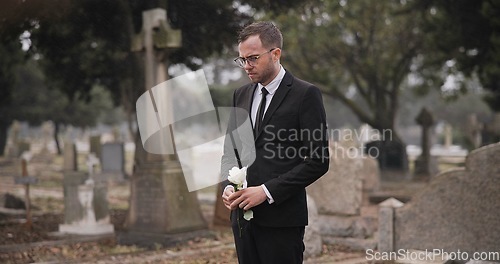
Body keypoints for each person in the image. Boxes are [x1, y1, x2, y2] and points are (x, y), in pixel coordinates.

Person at [220, 21, 329, 264]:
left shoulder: (306, 95)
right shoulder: (241, 94)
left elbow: (318, 161)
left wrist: (266, 192)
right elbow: (231, 152)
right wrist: (227, 186)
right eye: (242, 60)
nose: (246, 66)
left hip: (283, 221)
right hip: (242, 221)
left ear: (275, 54)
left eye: (253, 58)